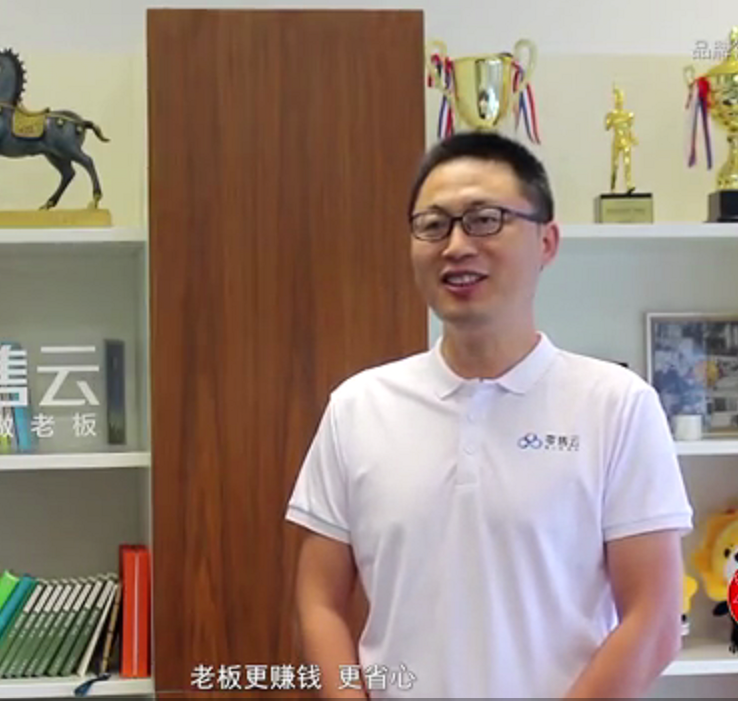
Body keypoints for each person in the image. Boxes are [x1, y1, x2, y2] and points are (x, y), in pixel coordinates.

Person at [286, 131, 693, 698]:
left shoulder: (617, 405)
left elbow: (654, 619)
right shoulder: (357, 407)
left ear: (547, 241)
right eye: (433, 225)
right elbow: (319, 602)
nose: (456, 246)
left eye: (484, 220)